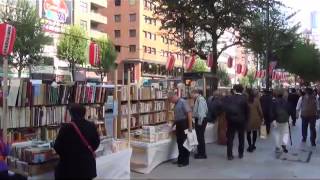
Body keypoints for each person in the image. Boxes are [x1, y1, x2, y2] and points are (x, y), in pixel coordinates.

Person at [54, 104, 100, 180]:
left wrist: (66, 155)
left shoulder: (66, 128)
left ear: (71, 114)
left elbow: (57, 146)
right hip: (87, 167)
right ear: (84, 113)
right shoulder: (91, 126)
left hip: (69, 167)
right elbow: (96, 143)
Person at [223, 84, 249, 160]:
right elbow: (247, 111)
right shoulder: (244, 99)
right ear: (242, 90)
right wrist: (246, 120)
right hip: (241, 120)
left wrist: (227, 118)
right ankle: (240, 153)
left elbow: (226, 109)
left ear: (234, 90)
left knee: (230, 137)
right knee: (241, 137)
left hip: (231, 120)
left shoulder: (229, 98)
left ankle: (229, 155)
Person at [168, 91, 193, 167]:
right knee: (179, 143)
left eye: (171, 100)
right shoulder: (176, 104)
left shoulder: (183, 102)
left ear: (174, 96)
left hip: (184, 124)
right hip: (179, 124)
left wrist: (190, 127)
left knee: (185, 143)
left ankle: (185, 161)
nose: (171, 102)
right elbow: (176, 117)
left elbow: (189, 114)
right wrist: (172, 125)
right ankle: (180, 159)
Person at [272, 88, 291, 153]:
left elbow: (272, 111)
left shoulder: (274, 102)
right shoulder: (286, 101)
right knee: (285, 132)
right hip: (285, 120)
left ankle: (277, 146)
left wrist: (273, 119)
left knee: (277, 133)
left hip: (277, 119)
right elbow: (289, 110)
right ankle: (284, 144)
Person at [191, 89, 208, 159]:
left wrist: (199, 122)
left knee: (200, 137)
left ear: (196, 93)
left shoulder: (200, 99)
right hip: (201, 119)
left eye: (192, 94)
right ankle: (201, 152)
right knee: (200, 137)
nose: (191, 96)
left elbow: (201, 112)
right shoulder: (200, 99)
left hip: (201, 120)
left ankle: (202, 154)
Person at [246, 88, 263, 153]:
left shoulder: (246, 101)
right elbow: (260, 110)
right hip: (256, 119)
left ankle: (249, 145)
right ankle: (253, 145)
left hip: (248, 119)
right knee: (254, 132)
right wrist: (262, 117)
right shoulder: (257, 100)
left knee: (248, 133)